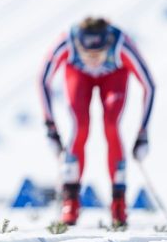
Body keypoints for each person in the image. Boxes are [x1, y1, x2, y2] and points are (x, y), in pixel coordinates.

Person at [39, 16, 156, 227]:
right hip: (78, 74)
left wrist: (143, 133)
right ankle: (71, 200)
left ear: (108, 45)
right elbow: (42, 80)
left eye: (98, 53)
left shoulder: (121, 45)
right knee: (80, 125)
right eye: (87, 54)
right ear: (78, 46)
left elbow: (149, 85)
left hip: (114, 74)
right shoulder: (66, 42)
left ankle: (119, 202)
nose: (93, 60)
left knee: (111, 125)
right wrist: (51, 128)